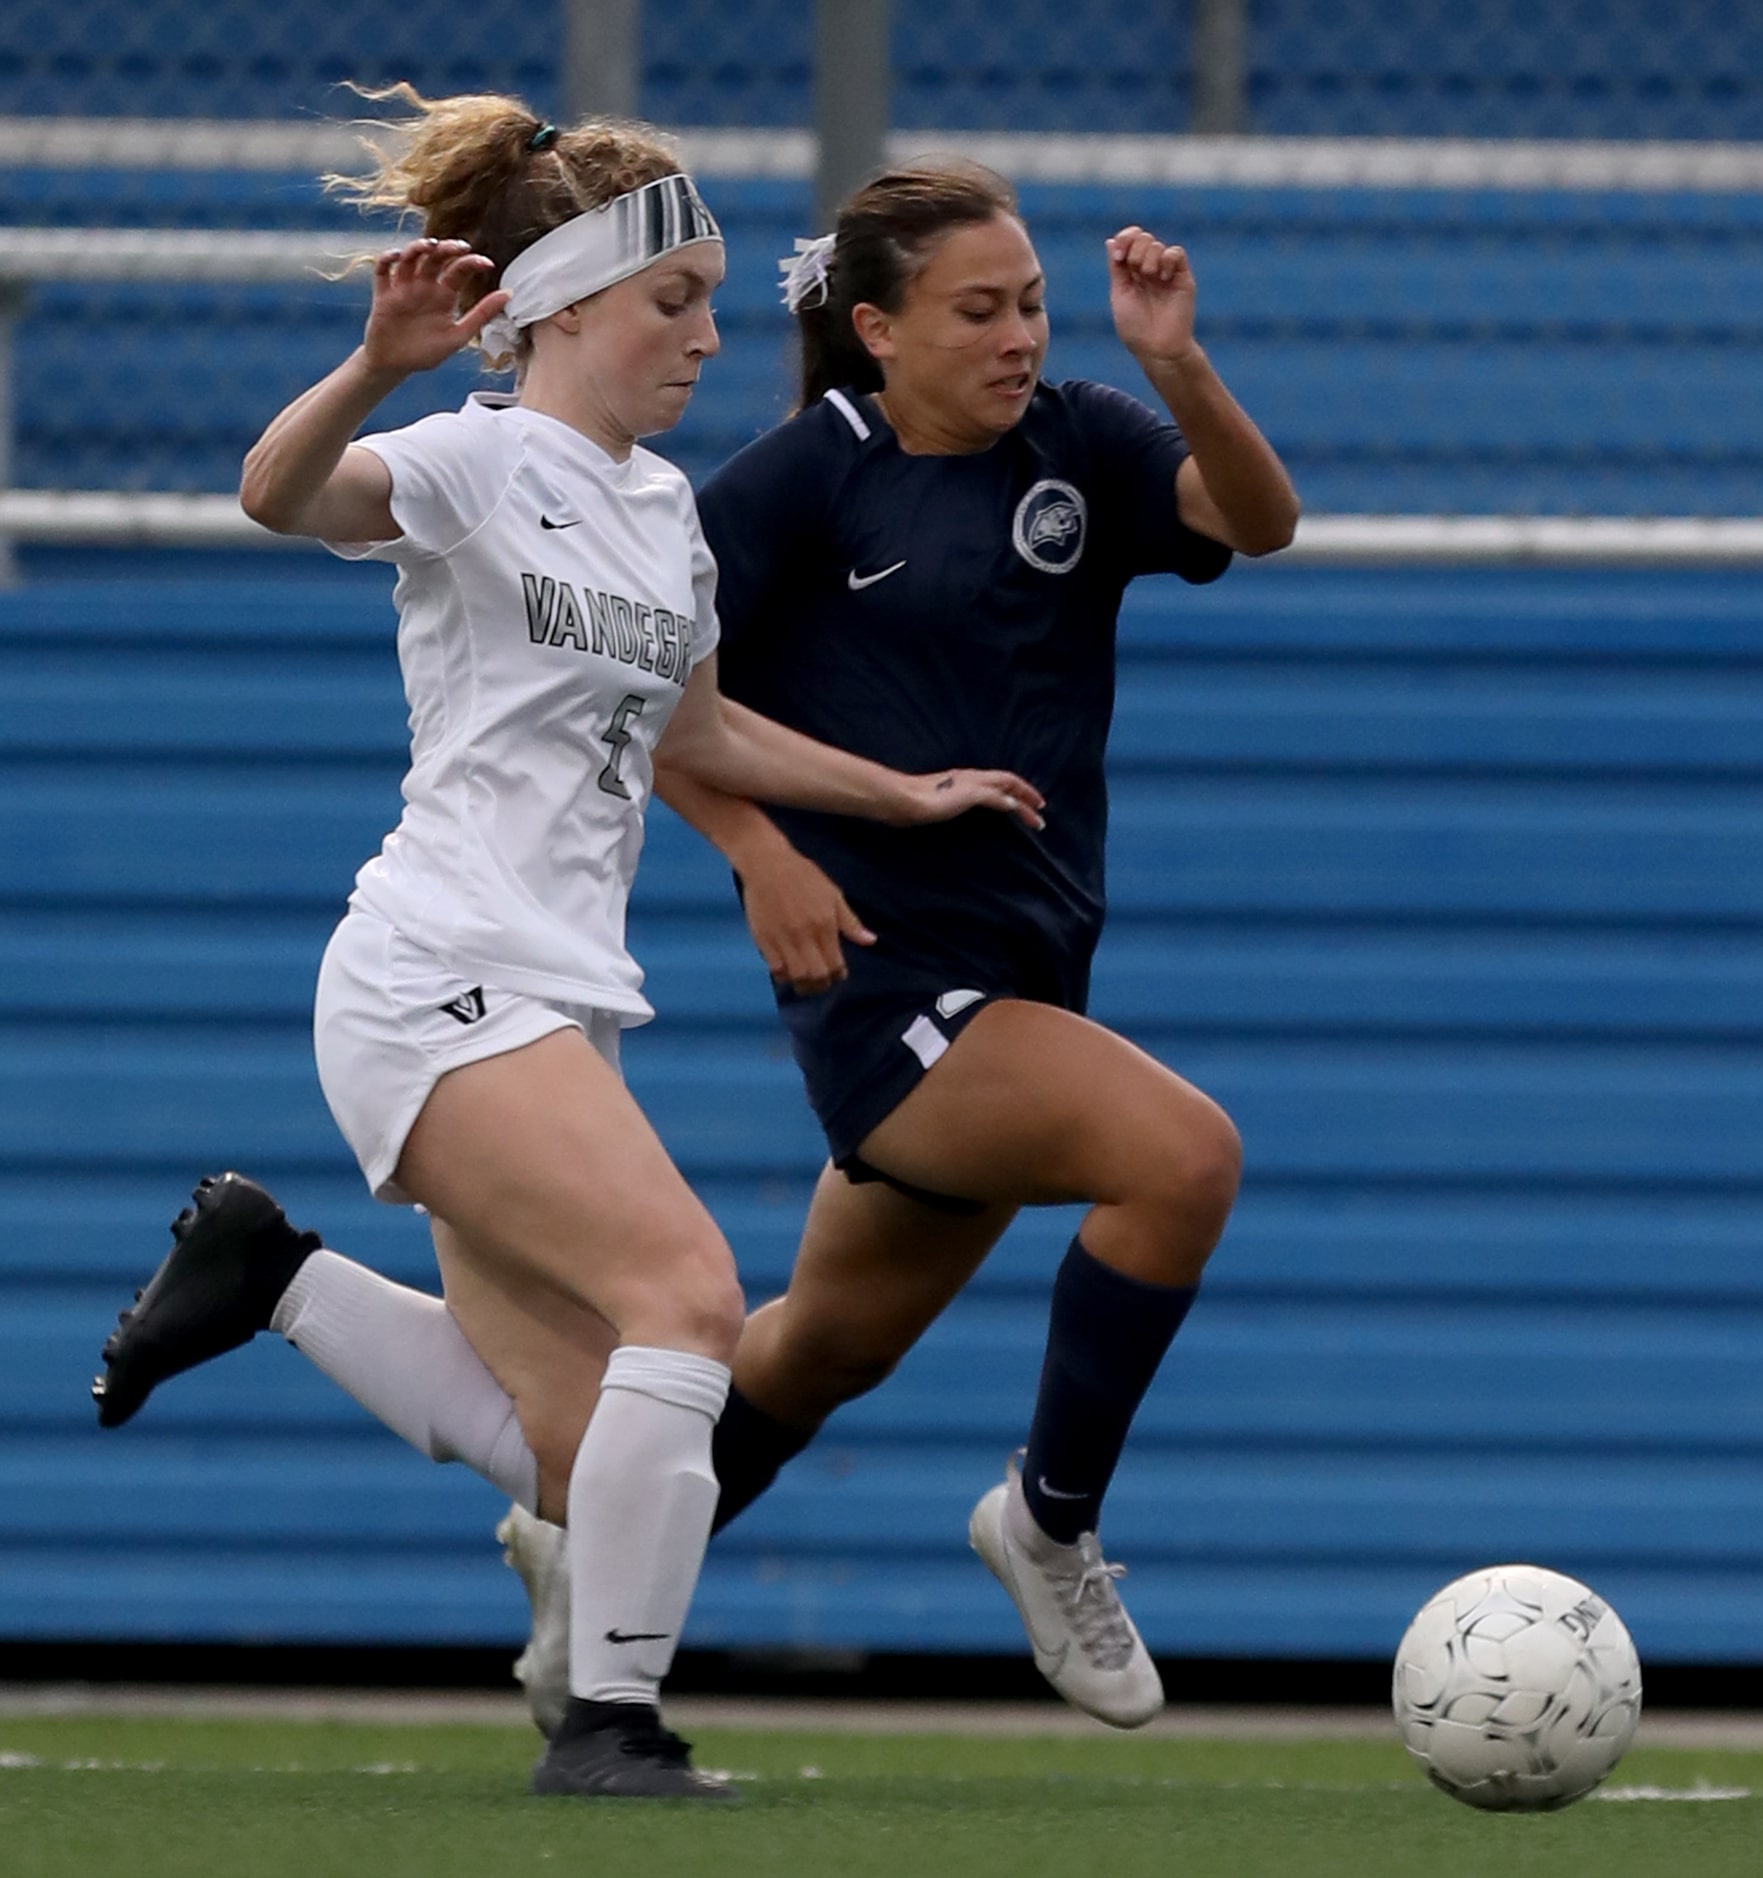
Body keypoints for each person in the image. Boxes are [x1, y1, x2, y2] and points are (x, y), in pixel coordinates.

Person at [88, 99, 1043, 1801]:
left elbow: (709, 736)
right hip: (437, 970)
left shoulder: (662, 509)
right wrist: (377, 362)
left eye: (715, 296)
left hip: (551, 994)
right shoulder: (474, 459)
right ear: (562, 305)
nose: (704, 330)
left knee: (573, 1442)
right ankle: (610, 1725)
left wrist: (900, 793)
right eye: (670, 295)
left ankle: (271, 1271)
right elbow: (273, 490)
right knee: (689, 1295)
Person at [496, 157, 1301, 1733]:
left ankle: (595, 1573)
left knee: (814, 1351)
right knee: (1185, 1159)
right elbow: (646, 696)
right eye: (977, 310)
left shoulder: (1085, 437)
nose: (1017, 336)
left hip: (1029, 972)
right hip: (888, 981)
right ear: (877, 328)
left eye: (1033, 305)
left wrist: (1174, 361)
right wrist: (758, 852)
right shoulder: (802, 480)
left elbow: (1257, 522)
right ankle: (1050, 1523)